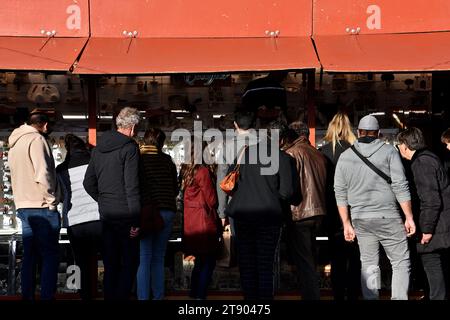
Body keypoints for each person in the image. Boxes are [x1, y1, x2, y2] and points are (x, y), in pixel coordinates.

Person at [334, 115, 416, 300]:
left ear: (358, 133)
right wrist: (409, 216)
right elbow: (400, 185)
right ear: (379, 134)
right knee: (400, 262)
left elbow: (340, 192)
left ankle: (371, 298)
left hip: (360, 218)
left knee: (369, 264)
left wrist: (346, 223)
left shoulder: (346, 156)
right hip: (388, 216)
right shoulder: (390, 152)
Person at [224, 115, 297, 300]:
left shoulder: (245, 152)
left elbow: (232, 181)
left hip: (242, 215)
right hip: (268, 217)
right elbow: (287, 193)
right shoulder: (283, 158)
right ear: (281, 139)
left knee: (247, 265)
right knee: (265, 266)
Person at [83, 107, 141, 300]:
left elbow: (87, 182)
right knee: (131, 263)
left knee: (111, 264)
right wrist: (135, 221)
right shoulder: (130, 148)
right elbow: (132, 187)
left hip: (106, 215)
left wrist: (103, 200)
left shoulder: (98, 148)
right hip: (125, 215)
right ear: (132, 127)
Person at [8, 111, 60, 300]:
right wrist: (52, 201)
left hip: (23, 205)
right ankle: (47, 297)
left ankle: (27, 296)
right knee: (50, 256)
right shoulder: (36, 140)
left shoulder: (15, 142)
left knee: (30, 256)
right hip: (41, 206)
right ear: (44, 125)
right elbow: (43, 173)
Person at [397, 127, 450, 300]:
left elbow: (431, 199)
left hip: (435, 227)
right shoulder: (430, 158)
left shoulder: (421, 163)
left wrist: (426, 230)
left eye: (399, 145)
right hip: (441, 225)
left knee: (432, 265)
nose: (398, 149)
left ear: (405, 145)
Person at [283, 121, 328, 300]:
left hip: (300, 213)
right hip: (318, 212)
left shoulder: (292, 153)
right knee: (309, 256)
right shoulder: (317, 153)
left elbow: (289, 188)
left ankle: (311, 297)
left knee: (304, 261)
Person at [320, 113, 361, 300]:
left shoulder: (324, 151)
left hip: (332, 210)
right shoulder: (357, 150)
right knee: (355, 255)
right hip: (355, 208)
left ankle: (338, 294)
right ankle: (353, 292)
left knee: (336, 256)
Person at [56, 134, 101, 300]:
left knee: (81, 262)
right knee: (107, 258)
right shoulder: (95, 162)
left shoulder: (61, 169)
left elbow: (60, 196)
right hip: (98, 217)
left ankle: (86, 296)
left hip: (75, 222)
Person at [136, 128, 178, 300]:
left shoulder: (139, 160)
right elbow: (175, 189)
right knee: (158, 257)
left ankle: (143, 297)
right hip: (167, 210)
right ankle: (158, 296)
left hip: (146, 212)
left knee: (144, 257)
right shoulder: (168, 160)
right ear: (161, 143)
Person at [181, 139, 220, 300]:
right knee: (208, 262)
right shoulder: (203, 171)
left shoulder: (186, 170)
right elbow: (212, 200)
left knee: (200, 261)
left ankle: (194, 293)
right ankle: (200, 296)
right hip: (204, 222)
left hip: (191, 222)